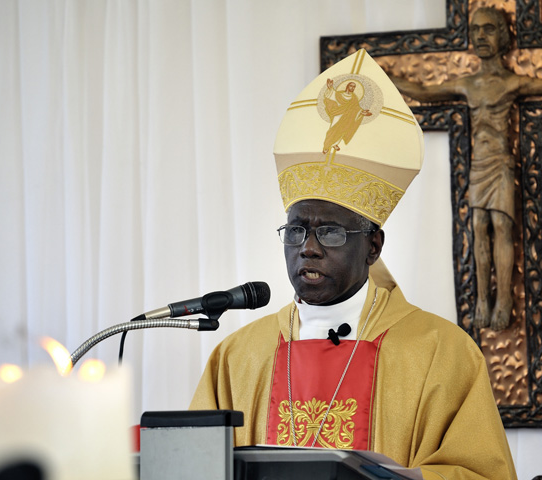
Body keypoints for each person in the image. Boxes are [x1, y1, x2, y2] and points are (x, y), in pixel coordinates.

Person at [191, 48, 517, 479]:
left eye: (329, 231)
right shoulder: (238, 357)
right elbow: (189, 466)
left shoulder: (442, 353)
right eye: (295, 230)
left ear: (373, 246)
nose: (307, 247)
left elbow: (482, 474)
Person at [388, 7, 542, 331]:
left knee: (501, 225)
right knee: (477, 226)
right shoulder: (467, 84)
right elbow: (423, 92)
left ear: (503, 36)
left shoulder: (512, 82)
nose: (481, 36)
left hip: (500, 162)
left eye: (488, 29)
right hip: (478, 164)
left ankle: (504, 299)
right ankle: (482, 299)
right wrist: (380, 74)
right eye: (476, 30)